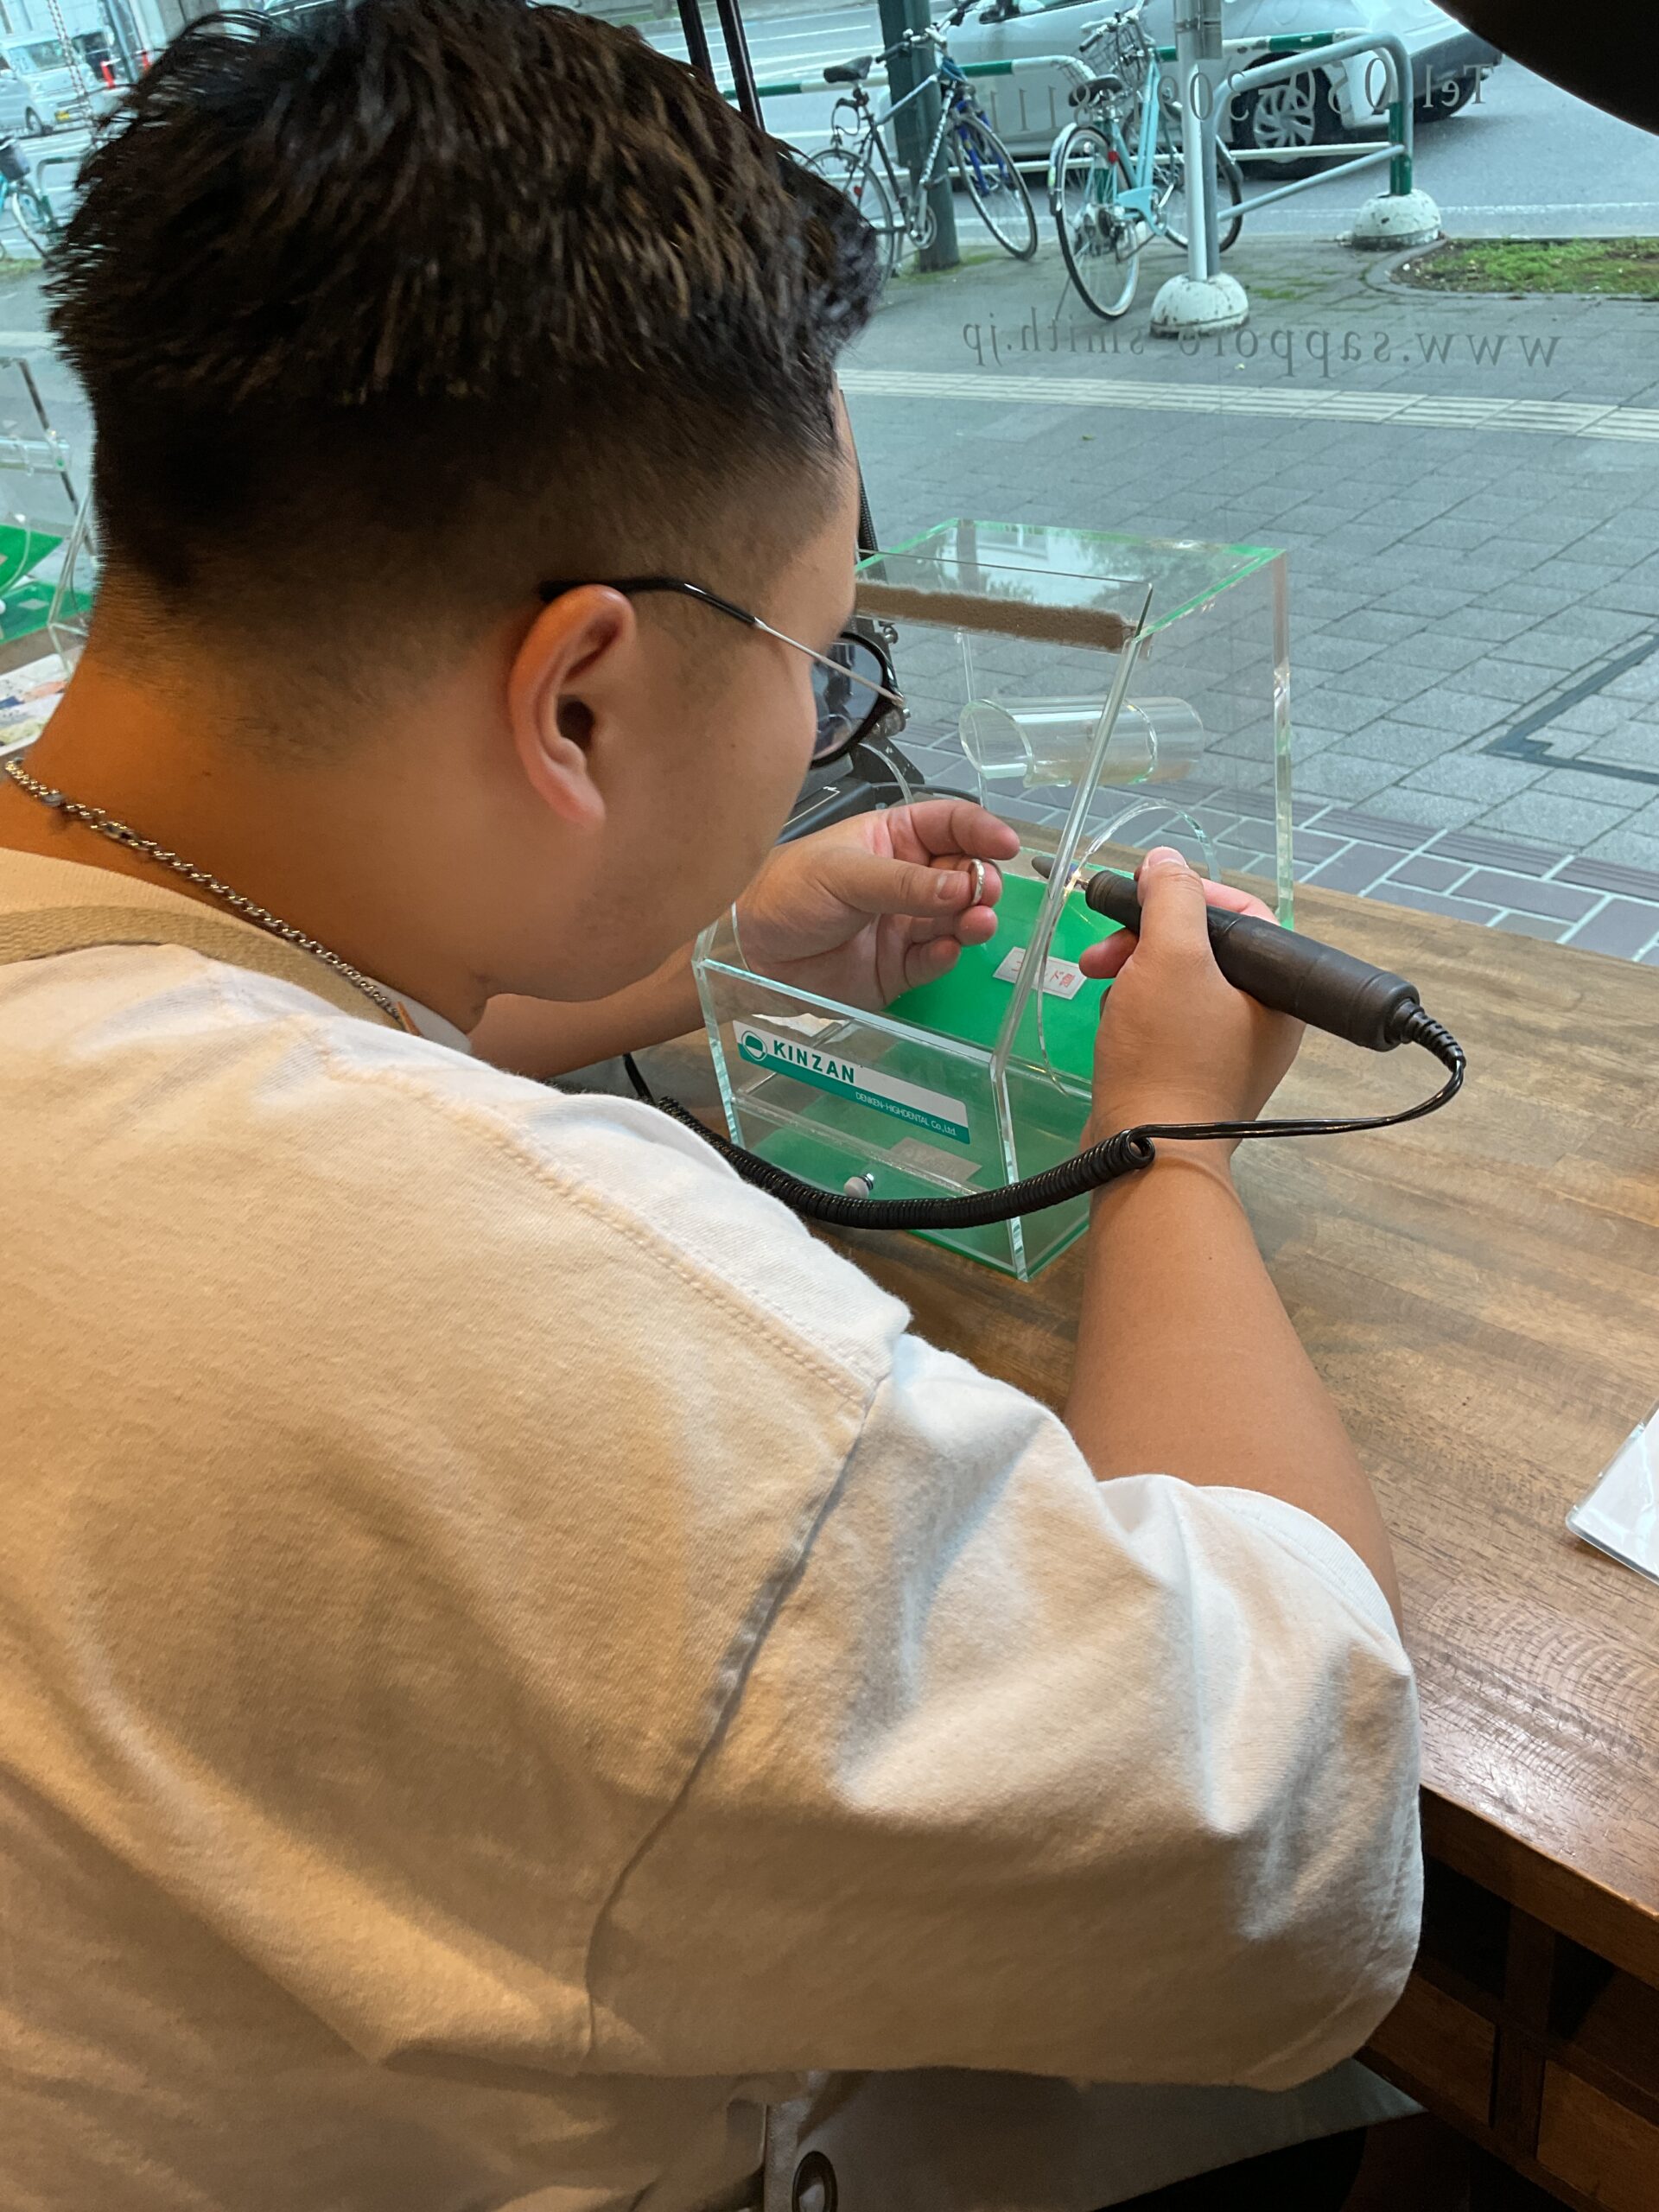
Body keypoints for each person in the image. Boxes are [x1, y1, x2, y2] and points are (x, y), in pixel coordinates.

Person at [0, 4, 1420, 2209]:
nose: (829, 722)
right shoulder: (523, 1316)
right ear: (578, 696)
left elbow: (216, 1028)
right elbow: (1303, 1859)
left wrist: (713, 940)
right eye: (824, 665)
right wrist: (1169, 1148)